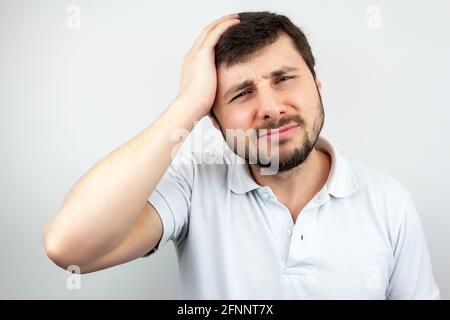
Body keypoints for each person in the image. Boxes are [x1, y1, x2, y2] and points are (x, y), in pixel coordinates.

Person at [44, 11, 440, 299]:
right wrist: (187, 104)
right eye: (242, 93)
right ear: (214, 123)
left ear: (318, 86)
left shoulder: (389, 202)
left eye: (284, 78)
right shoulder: (194, 185)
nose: (270, 108)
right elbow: (69, 246)